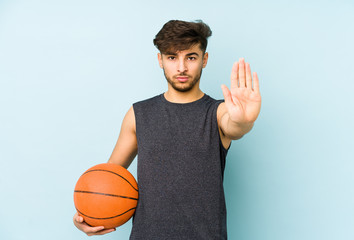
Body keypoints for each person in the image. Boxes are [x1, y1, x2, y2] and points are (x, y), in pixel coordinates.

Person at [73, 19, 261, 239]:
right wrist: (88, 215)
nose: (181, 67)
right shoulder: (138, 114)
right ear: (160, 60)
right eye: (172, 57)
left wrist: (245, 121)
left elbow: (235, 127)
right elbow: (108, 179)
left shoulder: (218, 113)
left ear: (204, 59)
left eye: (191, 57)